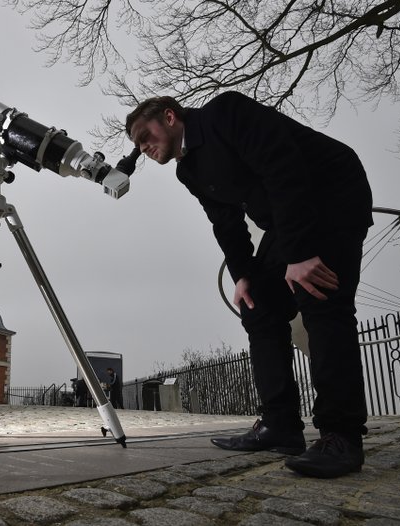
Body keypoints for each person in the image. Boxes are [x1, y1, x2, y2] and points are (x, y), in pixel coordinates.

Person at [126, 91, 372, 478]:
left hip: (331, 194)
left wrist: (300, 253)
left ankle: (341, 435)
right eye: (138, 145)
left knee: (321, 298)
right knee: (257, 303)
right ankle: (280, 424)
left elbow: (282, 165)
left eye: (145, 136)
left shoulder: (226, 112)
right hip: (287, 220)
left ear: (170, 117)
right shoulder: (188, 171)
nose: (143, 148)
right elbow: (225, 222)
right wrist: (242, 275)